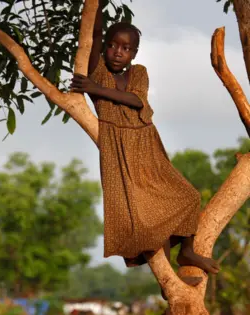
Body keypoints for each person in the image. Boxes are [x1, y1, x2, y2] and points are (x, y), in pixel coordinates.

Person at [70, 2, 220, 288]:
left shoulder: (138, 73)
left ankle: (187, 251)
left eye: (126, 48)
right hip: (118, 150)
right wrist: (96, 5)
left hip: (147, 143)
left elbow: (138, 101)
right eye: (113, 45)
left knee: (187, 195)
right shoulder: (98, 70)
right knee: (143, 222)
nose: (118, 51)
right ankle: (169, 285)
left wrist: (95, 90)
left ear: (134, 53)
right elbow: (95, 31)